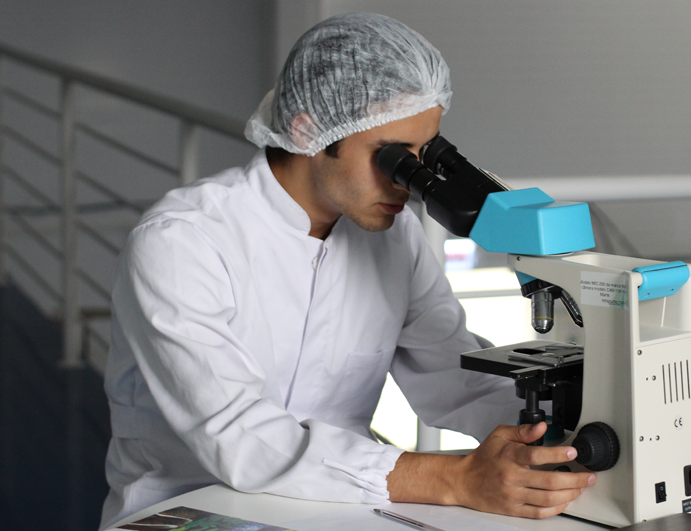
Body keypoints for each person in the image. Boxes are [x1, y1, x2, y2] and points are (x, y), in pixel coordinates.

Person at [99, 12, 595, 530]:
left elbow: (455, 377)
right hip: (192, 509)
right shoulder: (184, 242)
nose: (410, 182)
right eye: (393, 158)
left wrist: (559, 437)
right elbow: (241, 438)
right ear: (309, 130)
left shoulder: (392, 237)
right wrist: (456, 478)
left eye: (425, 154)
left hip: (340, 504)